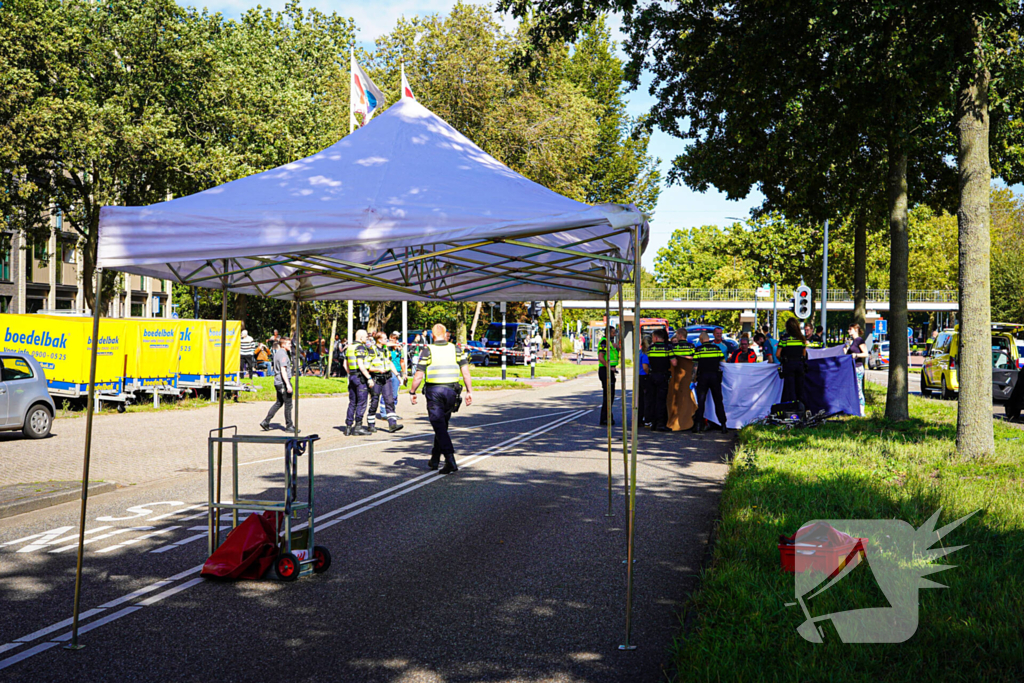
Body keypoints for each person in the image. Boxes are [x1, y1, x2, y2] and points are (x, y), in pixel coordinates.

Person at [409, 323, 473, 474]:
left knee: (439, 426)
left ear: (432, 335)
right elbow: (466, 372)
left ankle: (450, 461)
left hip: (434, 392)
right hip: (452, 392)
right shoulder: (456, 349)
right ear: (445, 334)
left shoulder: (428, 350)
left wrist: (412, 391)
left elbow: (418, 375)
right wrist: (469, 391)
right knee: (442, 425)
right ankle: (435, 459)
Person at [367, 332, 403, 433]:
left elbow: (390, 363)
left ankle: (392, 424)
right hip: (376, 378)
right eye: (385, 338)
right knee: (374, 401)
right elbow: (367, 366)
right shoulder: (372, 350)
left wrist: (398, 376)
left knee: (390, 400)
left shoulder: (386, 350)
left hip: (386, 378)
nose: (386, 340)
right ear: (379, 339)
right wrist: (377, 370)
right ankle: (371, 424)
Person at [692, 332, 728, 433]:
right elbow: (723, 363)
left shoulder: (698, 350)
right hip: (715, 377)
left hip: (703, 377)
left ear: (701, 340)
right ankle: (723, 425)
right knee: (718, 401)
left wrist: (692, 379)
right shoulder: (717, 349)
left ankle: (698, 425)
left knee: (701, 401)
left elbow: (695, 366)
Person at [260, 339, 295, 432]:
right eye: (288, 344)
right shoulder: (283, 355)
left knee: (279, 403)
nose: (290, 345)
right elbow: (283, 370)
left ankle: (266, 422)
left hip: (278, 382)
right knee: (288, 405)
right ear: (283, 345)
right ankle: (289, 426)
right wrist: (288, 384)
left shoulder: (278, 353)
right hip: (282, 382)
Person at [644, 329, 675, 431]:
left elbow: (648, 362)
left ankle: (653, 423)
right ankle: (661, 423)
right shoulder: (668, 348)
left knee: (652, 399)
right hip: (663, 376)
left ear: (656, 338)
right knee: (661, 400)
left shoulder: (650, 349)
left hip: (652, 376)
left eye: (653, 337)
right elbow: (674, 363)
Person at [343, 330, 373, 436]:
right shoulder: (360, 347)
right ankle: (358, 427)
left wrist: (351, 374)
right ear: (360, 337)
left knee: (352, 402)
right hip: (360, 377)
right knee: (362, 402)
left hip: (352, 376)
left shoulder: (350, 347)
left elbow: (345, 364)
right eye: (365, 337)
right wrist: (369, 378)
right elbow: (360, 364)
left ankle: (348, 427)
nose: (367, 338)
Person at [778, 317, 809, 404]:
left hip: (788, 365)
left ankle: (792, 407)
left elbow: (777, 354)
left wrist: (782, 361)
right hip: (799, 365)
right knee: (800, 388)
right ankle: (801, 407)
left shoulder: (784, 339)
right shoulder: (801, 339)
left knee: (790, 389)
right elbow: (804, 354)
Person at [598, 327, 620, 426]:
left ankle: (608, 417)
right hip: (605, 371)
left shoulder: (609, 343)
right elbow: (601, 357)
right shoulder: (604, 342)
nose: (614, 335)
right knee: (608, 396)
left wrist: (617, 348)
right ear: (608, 333)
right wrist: (609, 368)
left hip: (609, 371)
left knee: (610, 396)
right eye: (613, 333)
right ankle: (605, 418)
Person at [846, 323, 869, 415]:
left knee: (858, 388)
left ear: (856, 329)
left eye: (850, 329)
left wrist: (856, 355)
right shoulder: (852, 341)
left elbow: (866, 353)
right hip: (851, 368)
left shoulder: (859, 340)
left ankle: (861, 410)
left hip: (858, 367)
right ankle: (854, 409)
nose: (848, 331)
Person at [638, 338, 651, 427]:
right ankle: (647, 419)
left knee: (640, 399)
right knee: (647, 399)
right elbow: (645, 367)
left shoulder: (639, 352)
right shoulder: (645, 353)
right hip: (645, 376)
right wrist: (650, 373)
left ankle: (639, 418)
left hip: (640, 376)